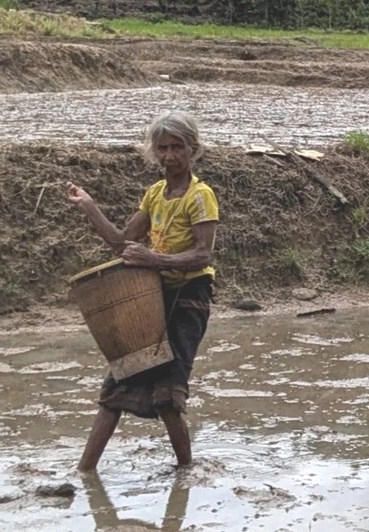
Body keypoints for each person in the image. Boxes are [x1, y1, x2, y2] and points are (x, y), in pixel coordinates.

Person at [65, 111, 219, 471]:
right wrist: (88, 205)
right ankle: (84, 471)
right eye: (162, 148)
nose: (169, 156)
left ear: (193, 150)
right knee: (118, 383)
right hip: (151, 296)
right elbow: (122, 243)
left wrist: (153, 258)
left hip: (188, 297)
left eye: (177, 147)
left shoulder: (200, 196)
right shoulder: (154, 195)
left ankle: (186, 472)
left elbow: (203, 254)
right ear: (154, 152)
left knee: (168, 395)